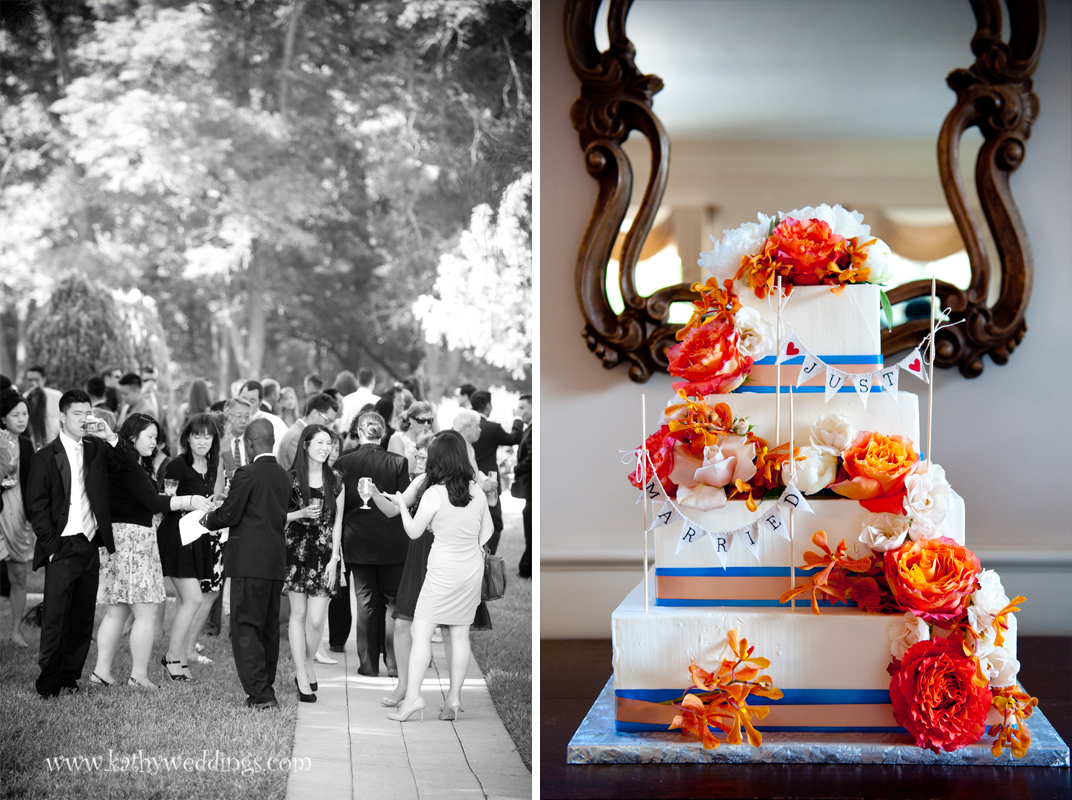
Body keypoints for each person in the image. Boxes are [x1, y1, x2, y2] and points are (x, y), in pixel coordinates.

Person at [27, 390, 137, 697]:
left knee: (82, 615)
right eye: (77, 413)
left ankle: (69, 677)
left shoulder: (96, 448)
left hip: (90, 542)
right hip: (61, 545)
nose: (84, 419)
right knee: (56, 616)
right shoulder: (44, 457)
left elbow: (128, 467)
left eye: (88, 413)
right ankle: (48, 681)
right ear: (62, 417)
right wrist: (51, 547)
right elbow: (36, 508)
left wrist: (110, 436)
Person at [91, 414, 211, 689]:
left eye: (157, 437)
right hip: (132, 541)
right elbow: (154, 501)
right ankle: (139, 676)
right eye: (150, 436)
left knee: (117, 612)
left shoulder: (125, 462)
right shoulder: (126, 459)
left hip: (118, 539)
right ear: (132, 437)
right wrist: (190, 500)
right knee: (145, 613)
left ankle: (101, 673)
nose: (155, 442)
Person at [384, 430, 492, 722]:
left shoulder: (434, 493)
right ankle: (454, 699)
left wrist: (403, 506)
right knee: (459, 635)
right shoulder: (477, 491)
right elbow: (487, 533)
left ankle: (413, 698)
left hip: (442, 569)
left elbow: (413, 531)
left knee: (420, 632)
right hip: (471, 569)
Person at [200, 419, 290, 709]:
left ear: (250, 444)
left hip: (249, 562)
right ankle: (266, 685)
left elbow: (229, 514)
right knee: (268, 628)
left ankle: (261, 695)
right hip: (274, 562)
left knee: (245, 624)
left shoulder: (246, 473)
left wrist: (205, 520)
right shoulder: (284, 475)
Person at [328, 412, 410, 676]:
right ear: (383, 433)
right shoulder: (398, 462)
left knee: (366, 603)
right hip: (393, 542)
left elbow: (338, 506)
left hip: (357, 541)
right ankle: (394, 663)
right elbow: (402, 502)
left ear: (359, 432)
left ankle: (368, 665)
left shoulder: (344, 461)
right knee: (393, 604)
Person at [156, 413, 226, 680]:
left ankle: (180, 657)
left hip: (198, 536)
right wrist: (190, 502)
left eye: (208, 436)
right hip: (176, 537)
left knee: (189, 600)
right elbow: (166, 501)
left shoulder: (212, 464)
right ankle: (172, 657)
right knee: (194, 599)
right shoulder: (177, 465)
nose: (202, 441)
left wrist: (214, 504)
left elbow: (207, 499)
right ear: (187, 437)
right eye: (197, 436)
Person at [283, 424, 344, 701]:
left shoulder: (337, 480)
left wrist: (335, 558)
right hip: (296, 550)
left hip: (325, 554)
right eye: (320, 442)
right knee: (298, 614)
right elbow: (278, 516)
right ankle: (301, 671)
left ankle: (309, 661)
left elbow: (339, 521)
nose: (325, 448)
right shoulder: (291, 479)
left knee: (317, 619)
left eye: (328, 443)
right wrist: (300, 513)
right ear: (305, 445)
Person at [1, 388, 35, 647]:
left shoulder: (27, 444)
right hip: (1, 508)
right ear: (3, 418)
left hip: (19, 512)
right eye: (16, 415)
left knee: (20, 575)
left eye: (24, 414)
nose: (22, 419)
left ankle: (15, 632)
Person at [469, 390, 524, 553]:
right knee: (495, 523)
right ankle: (488, 557)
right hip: (489, 483)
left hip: (468, 481)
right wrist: (518, 418)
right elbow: (514, 438)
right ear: (488, 406)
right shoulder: (492, 428)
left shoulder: (462, 426)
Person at [277, 393, 340, 471]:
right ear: (314, 414)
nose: (329, 426)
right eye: (328, 420)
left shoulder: (302, 433)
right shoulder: (297, 436)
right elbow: (305, 471)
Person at [512, 394, 533, 578]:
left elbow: (532, 458)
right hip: (527, 489)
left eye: (522, 407)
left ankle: (527, 568)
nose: (519, 411)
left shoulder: (535, 429)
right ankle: (526, 567)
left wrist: (516, 468)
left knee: (531, 524)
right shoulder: (529, 429)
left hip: (532, 487)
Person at [387, 401, 435, 477]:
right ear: (411, 419)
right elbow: (403, 471)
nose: (426, 424)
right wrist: (419, 446)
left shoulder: (431, 441)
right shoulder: (397, 439)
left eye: (429, 421)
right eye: (422, 420)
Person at [238, 380, 288, 451]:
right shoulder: (229, 422)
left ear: (260, 402)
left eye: (252, 401)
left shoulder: (276, 423)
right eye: (244, 399)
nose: (247, 404)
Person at [24, 366, 62, 441]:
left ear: (44, 379)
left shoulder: (57, 396)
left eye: (36, 380)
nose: (33, 383)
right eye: (30, 380)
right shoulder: (24, 399)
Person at [220, 396, 254, 476]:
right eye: (239, 416)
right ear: (227, 415)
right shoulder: (219, 442)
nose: (243, 421)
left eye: (247, 417)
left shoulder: (253, 442)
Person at [340, 368, 379, 434]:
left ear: (358, 381)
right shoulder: (378, 402)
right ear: (373, 381)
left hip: (346, 436)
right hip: (370, 437)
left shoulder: (346, 400)